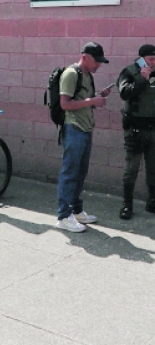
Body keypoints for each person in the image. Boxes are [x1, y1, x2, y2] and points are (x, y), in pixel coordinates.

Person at [56, 42, 113, 232]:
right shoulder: (71, 74)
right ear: (85, 57)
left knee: (80, 172)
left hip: (86, 128)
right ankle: (64, 216)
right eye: (96, 61)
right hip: (74, 128)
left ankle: (76, 210)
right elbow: (65, 104)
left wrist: (97, 97)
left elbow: (84, 102)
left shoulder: (87, 75)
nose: (98, 65)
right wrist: (92, 100)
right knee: (70, 172)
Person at [118, 44, 155, 219]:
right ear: (141, 60)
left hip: (153, 129)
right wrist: (142, 79)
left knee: (153, 168)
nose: (154, 63)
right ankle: (127, 205)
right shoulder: (129, 72)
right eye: (151, 59)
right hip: (135, 129)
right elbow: (124, 93)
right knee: (131, 169)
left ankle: (152, 202)